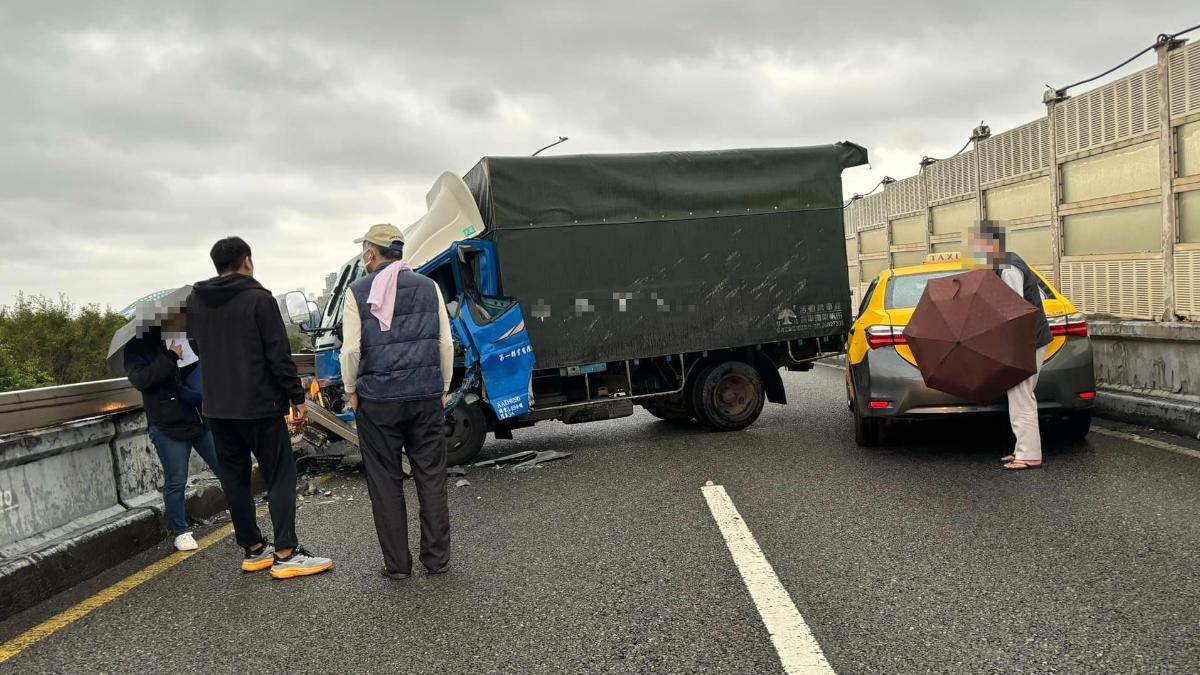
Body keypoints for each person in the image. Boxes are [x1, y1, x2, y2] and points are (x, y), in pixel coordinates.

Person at [188, 236, 332, 579]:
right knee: (280, 473)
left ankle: (253, 549)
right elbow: (278, 356)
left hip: (217, 408)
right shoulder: (258, 299)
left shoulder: (197, 301)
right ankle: (286, 552)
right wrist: (297, 398)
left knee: (235, 479)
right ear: (247, 261)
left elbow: (195, 344)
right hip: (259, 405)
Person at [340, 224, 454, 580]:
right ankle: (436, 560)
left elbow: (352, 351)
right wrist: (442, 386)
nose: (363, 257)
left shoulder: (357, 292)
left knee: (385, 482)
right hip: (424, 396)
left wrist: (350, 390)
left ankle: (398, 566)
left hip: (378, 401)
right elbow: (444, 344)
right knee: (431, 476)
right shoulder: (429, 287)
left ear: (371, 255)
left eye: (365, 251)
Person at [124, 310, 220, 551]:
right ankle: (180, 531)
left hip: (200, 417)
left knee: (226, 466)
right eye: (178, 316)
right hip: (167, 424)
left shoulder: (192, 338)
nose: (183, 320)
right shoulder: (139, 345)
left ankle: (243, 512)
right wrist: (170, 356)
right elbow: (141, 380)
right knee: (176, 479)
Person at [971, 220, 1053, 471]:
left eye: (980, 243)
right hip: (1026, 340)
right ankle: (1022, 449)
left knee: (1021, 397)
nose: (977, 249)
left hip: (1025, 342)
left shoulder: (1008, 268)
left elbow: (1014, 310)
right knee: (1019, 396)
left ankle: (1029, 455)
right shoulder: (1006, 262)